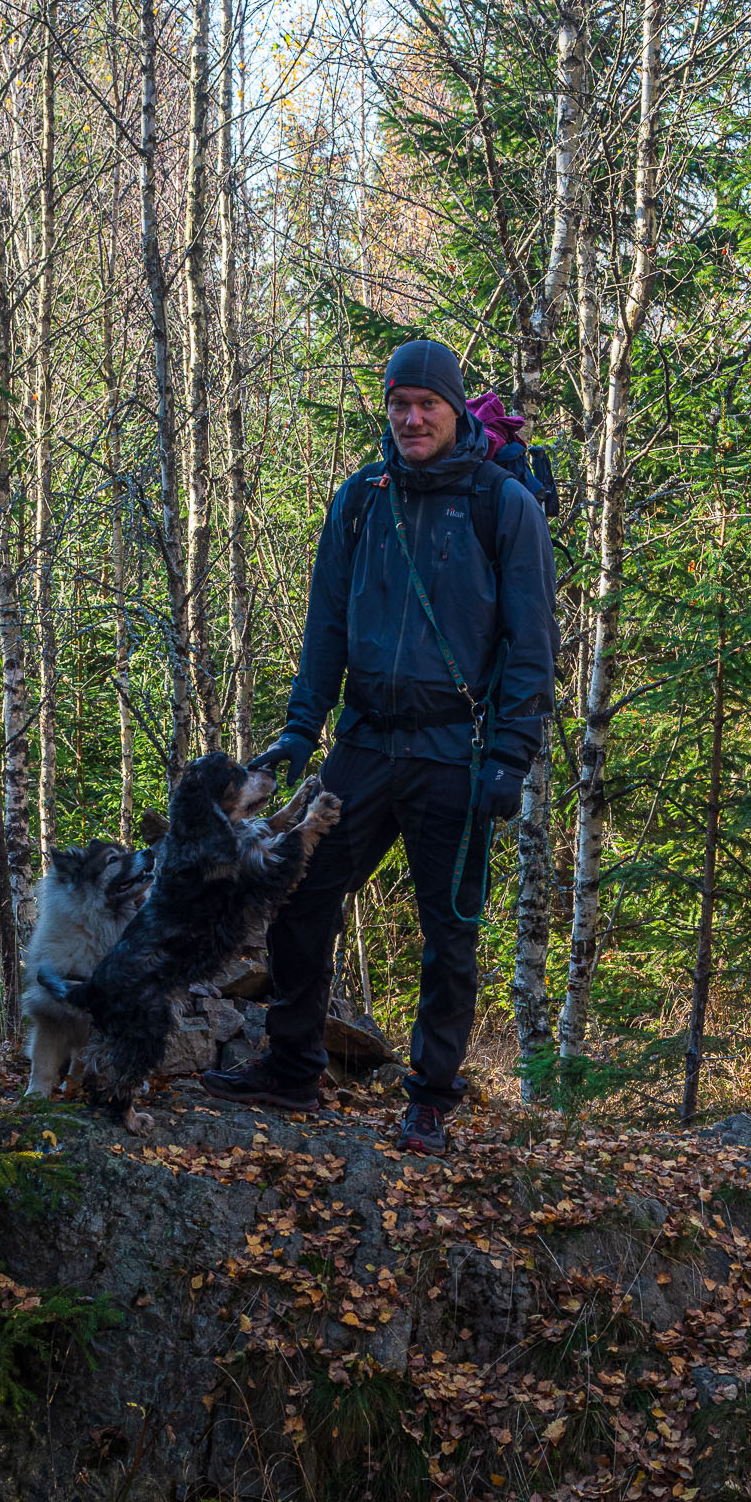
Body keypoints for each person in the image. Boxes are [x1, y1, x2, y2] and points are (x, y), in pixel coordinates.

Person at [202, 339, 557, 1154]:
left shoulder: (504, 505)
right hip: (362, 746)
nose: (410, 418)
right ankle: (291, 1068)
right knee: (299, 899)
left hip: (455, 755)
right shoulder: (362, 498)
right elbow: (325, 625)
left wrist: (510, 755)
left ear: (455, 409)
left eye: (426, 404)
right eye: (398, 403)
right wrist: (301, 726)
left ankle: (431, 1095)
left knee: (449, 934)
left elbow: (534, 644)